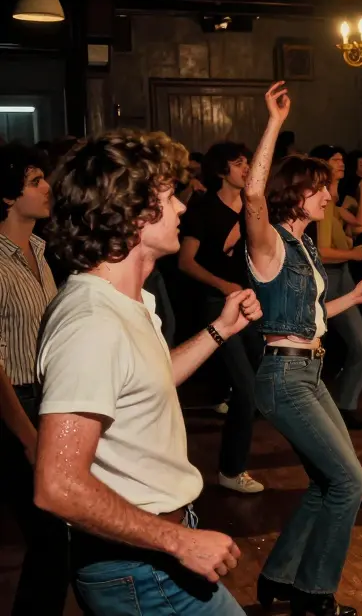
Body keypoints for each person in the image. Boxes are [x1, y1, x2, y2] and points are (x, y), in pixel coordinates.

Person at [34, 129, 262, 615]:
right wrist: (178, 541)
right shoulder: (91, 323)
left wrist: (220, 330)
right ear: (131, 212)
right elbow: (58, 485)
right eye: (168, 195)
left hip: (151, 556)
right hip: (141, 569)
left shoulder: (127, 303)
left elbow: (148, 381)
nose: (181, 208)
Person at [243, 83, 362, 616]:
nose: (328, 196)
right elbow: (253, 197)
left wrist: (352, 297)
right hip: (284, 377)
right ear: (294, 193)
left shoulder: (303, 245)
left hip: (309, 372)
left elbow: (312, 317)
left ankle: (279, 577)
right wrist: (275, 124)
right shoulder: (270, 242)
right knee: (349, 482)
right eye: (319, 189)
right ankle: (313, 594)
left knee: (328, 481)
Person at [178, 140, 268, 494]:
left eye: (248, 162)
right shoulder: (203, 209)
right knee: (245, 389)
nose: (246, 168)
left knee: (260, 382)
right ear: (220, 170)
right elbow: (186, 262)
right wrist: (223, 284)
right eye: (239, 162)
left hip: (250, 303)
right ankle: (231, 470)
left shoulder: (254, 206)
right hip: (217, 304)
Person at [0, 144, 67, 614]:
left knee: (53, 539)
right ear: (7, 196)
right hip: (14, 406)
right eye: (35, 181)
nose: (47, 188)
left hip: (44, 398)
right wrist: (26, 435)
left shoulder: (41, 251)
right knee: (49, 536)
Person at [309, 145, 362, 430]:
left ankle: (343, 406)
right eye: (334, 159)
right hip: (329, 277)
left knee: (359, 346)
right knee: (331, 345)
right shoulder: (322, 205)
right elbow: (321, 252)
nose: (341, 163)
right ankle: (334, 408)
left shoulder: (334, 204)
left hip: (342, 276)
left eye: (341, 159)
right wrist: (353, 254)